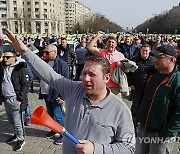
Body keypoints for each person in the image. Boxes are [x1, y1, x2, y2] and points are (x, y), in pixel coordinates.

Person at [6, 28, 135, 154]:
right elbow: (49, 75)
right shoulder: (74, 89)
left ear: (106, 78)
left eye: (92, 74)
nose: (85, 79)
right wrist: (25, 52)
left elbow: (128, 148)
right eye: (84, 73)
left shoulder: (121, 110)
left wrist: (96, 149)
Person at [135, 45, 180, 154]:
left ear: (171, 60)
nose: (155, 60)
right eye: (155, 57)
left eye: (160, 57)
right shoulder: (152, 74)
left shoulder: (177, 81)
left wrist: (166, 133)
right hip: (143, 129)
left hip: (160, 135)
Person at [40, 44, 69, 144]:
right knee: (51, 114)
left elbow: (66, 81)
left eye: (47, 52)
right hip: (46, 93)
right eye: (45, 52)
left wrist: (63, 97)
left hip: (56, 95)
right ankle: (54, 129)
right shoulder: (45, 62)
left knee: (59, 116)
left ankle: (65, 134)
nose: (45, 54)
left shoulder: (62, 64)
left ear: (55, 52)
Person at [0, 49, 27, 151]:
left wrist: (20, 99)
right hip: (6, 99)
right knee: (11, 120)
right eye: (4, 57)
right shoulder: (2, 68)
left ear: (14, 58)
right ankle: (16, 135)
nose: (5, 59)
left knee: (17, 121)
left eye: (8, 57)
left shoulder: (19, 69)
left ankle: (21, 138)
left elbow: (24, 85)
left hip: (15, 99)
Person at [87, 31, 125, 98]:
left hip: (115, 86)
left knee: (116, 106)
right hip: (103, 85)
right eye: (109, 42)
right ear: (106, 44)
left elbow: (126, 70)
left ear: (116, 45)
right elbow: (90, 47)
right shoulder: (101, 52)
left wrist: (121, 65)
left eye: (113, 42)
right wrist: (98, 36)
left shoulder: (120, 55)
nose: (111, 44)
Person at [127, 44, 154, 131]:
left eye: (146, 51)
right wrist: (130, 84)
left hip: (148, 88)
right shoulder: (134, 60)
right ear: (140, 51)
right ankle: (132, 123)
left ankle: (143, 122)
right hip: (136, 87)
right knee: (135, 105)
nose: (145, 52)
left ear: (149, 51)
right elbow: (129, 73)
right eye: (143, 50)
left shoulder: (153, 61)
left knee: (146, 105)